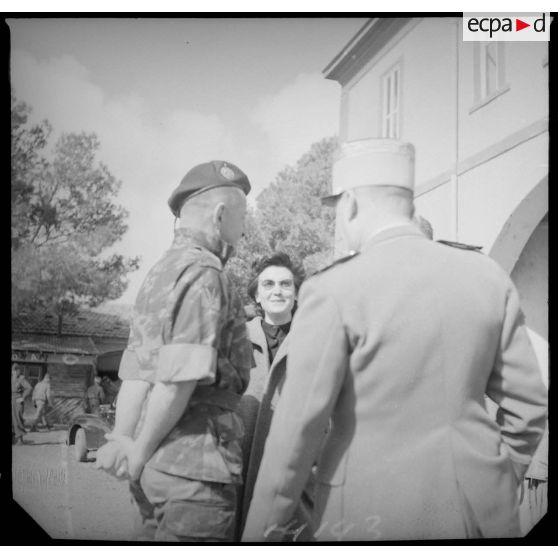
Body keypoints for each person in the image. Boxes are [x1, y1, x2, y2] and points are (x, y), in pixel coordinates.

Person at [242, 138, 547, 541]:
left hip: (367, 513)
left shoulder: (334, 289)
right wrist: (493, 476)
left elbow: (297, 431)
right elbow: (528, 407)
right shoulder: (487, 277)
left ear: (350, 203)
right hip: (480, 512)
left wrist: (258, 535)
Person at [95, 160, 253, 542]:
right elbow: (176, 382)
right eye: (242, 215)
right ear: (219, 215)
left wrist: (123, 439)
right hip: (196, 477)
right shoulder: (204, 273)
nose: (245, 228)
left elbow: (136, 371)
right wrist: (136, 449)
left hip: (158, 473)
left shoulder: (159, 273)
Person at [237, 252, 309, 538]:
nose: (277, 291)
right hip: (242, 465)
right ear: (256, 293)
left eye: (285, 284)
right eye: (267, 284)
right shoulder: (236, 338)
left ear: (296, 292)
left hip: (296, 469)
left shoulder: (315, 337)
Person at [11, 364, 32, 444]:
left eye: (17, 371)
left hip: (17, 400)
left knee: (17, 419)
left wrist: (22, 397)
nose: (16, 372)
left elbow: (29, 388)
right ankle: (14, 439)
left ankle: (20, 439)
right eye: (14, 371)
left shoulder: (21, 379)